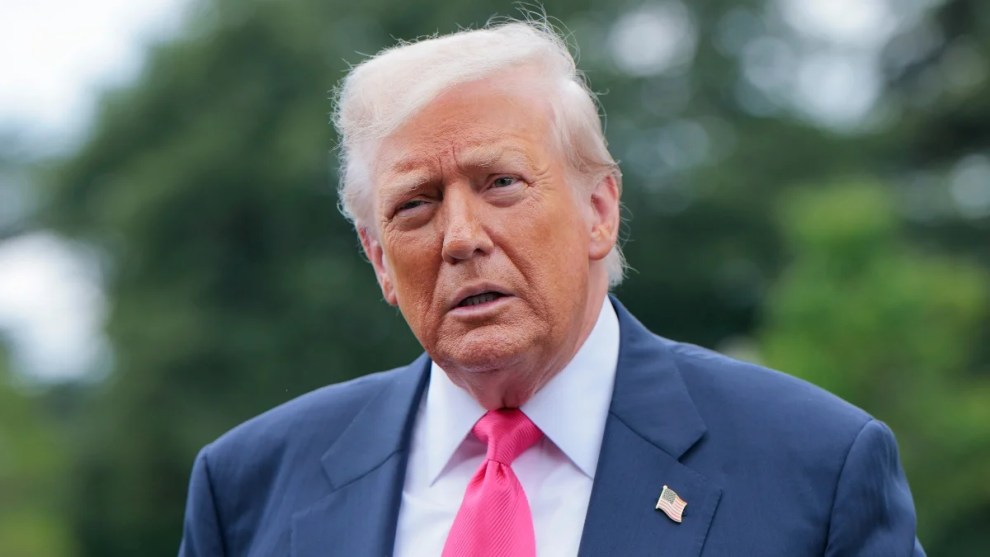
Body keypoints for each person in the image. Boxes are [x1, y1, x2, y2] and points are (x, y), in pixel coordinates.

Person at [179, 19, 925, 556]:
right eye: (416, 205)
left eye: (501, 183)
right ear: (378, 259)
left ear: (599, 210)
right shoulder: (248, 489)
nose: (461, 236)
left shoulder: (815, 468)